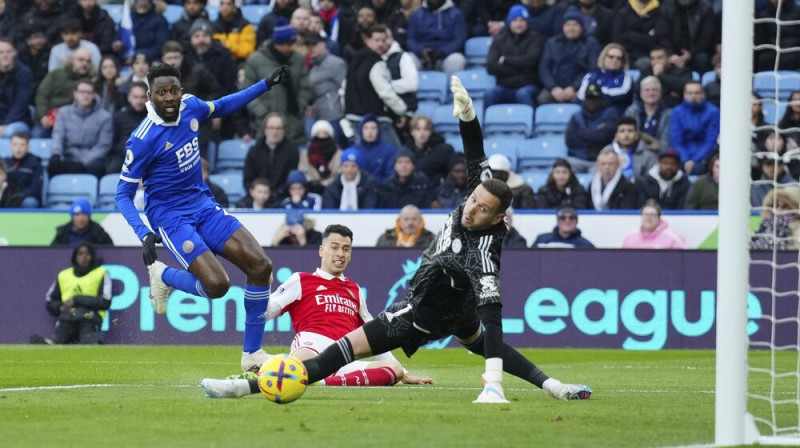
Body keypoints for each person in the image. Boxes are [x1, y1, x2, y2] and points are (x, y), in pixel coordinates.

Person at [253, 77, 592, 404]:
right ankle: (554, 386)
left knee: (338, 353)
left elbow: (494, 316)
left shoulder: (484, 254)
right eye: (473, 200)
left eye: (482, 209)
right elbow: (475, 152)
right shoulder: (485, 189)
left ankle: (256, 386)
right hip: (456, 310)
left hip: (420, 314)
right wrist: (468, 113)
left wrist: (493, 384)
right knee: (480, 341)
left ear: (498, 218)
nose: (470, 209)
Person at [114, 62, 292, 373]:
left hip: (203, 205)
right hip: (170, 217)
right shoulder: (142, 139)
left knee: (261, 266)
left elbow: (223, 105)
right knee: (217, 285)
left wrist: (264, 84)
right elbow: (122, 195)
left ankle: (252, 355)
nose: (169, 98)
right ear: (149, 96)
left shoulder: (191, 107)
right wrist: (144, 233)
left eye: (174, 91)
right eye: (162, 93)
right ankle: (163, 276)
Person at [201, 224, 433, 396]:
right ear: (321, 250)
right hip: (311, 345)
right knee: (302, 359)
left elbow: (376, 334)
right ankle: (253, 381)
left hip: (345, 354)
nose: (340, 254)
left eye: (346, 249)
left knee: (393, 370)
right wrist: (261, 284)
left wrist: (403, 371)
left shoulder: (354, 290)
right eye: (335, 247)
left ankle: (311, 380)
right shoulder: (301, 280)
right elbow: (264, 312)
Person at [244, 16, 312, 146]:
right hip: (267, 125)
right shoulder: (255, 60)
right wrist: (264, 114)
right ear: (278, 43)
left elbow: (305, 87)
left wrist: (300, 106)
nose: (292, 48)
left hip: (294, 125)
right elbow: (247, 93)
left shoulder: (298, 59)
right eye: (289, 44)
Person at [43, 243, 112, 344]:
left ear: (92, 256)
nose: (84, 256)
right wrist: (60, 307)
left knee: (88, 345)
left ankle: (94, 343)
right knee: (57, 345)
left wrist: (77, 299)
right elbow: (50, 300)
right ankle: (52, 343)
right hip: (67, 316)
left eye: (87, 253)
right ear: (75, 257)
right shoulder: (64, 275)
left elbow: (105, 301)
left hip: (89, 316)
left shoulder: (101, 273)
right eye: (80, 254)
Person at [47, 78, 113, 178]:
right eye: (82, 92)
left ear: (94, 95)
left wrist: (83, 162)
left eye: (89, 92)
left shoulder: (105, 117)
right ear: (75, 93)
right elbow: (58, 136)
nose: (85, 95)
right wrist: (56, 154)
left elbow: (103, 146)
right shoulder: (63, 113)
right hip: (68, 157)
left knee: (97, 167)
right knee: (53, 166)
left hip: (92, 160)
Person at [483, 5, 543, 111]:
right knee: (490, 94)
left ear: (527, 22)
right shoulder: (499, 40)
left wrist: (506, 60)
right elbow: (491, 67)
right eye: (515, 20)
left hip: (528, 85)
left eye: (522, 20)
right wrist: (519, 69)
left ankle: (531, 125)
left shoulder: (536, 38)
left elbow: (530, 62)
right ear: (509, 22)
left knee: (523, 94)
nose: (518, 24)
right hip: (505, 86)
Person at [536, 7, 600, 106]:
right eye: (568, 25)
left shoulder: (591, 44)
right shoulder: (552, 43)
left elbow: (591, 70)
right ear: (563, 27)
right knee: (542, 98)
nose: (571, 28)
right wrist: (553, 87)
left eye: (575, 24)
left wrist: (573, 87)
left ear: (582, 27)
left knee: (583, 100)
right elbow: (544, 68)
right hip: (555, 88)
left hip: (579, 88)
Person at [34, 49, 95, 138]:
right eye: (81, 60)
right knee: (37, 135)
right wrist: (42, 116)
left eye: (88, 61)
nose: (85, 63)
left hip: (74, 124)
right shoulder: (55, 74)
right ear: (72, 61)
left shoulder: (90, 83)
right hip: (48, 118)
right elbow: (42, 96)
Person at [669, 81, 720, 175]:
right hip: (682, 156)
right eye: (690, 93)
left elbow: (710, 141)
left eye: (697, 93)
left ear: (703, 94)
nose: (693, 96)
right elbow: (676, 140)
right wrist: (685, 159)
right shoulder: (676, 112)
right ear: (684, 94)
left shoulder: (713, 112)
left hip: (705, 156)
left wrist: (694, 160)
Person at [565, 83, 617, 173]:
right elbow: (570, 140)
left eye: (595, 98)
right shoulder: (576, 116)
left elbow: (605, 137)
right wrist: (594, 135)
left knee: (605, 171)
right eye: (590, 98)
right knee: (562, 169)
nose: (592, 101)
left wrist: (583, 132)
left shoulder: (610, 114)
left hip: (600, 160)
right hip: (577, 158)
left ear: (601, 99)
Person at [406, 0, 467, 76]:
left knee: (456, 60)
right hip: (422, 56)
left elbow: (459, 40)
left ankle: (451, 87)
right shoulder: (416, 14)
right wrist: (420, 51)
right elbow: (411, 40)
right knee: (407, 59)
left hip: (446, 56)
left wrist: (442, 52)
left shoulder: (456, 14)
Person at [243, 113, 299, 193]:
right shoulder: (254, 151)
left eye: (278, 128)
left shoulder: (292, 151)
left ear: (283, 130)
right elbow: (247, 180)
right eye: (271, 128)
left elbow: (290, 181)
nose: (274, 132)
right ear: (265, 130)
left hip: (281, 197)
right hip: (256, 197)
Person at [577, 43, 634, 116]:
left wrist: (596, 94)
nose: (614, 60)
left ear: (623, 61)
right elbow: (581, 97)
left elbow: (623, 94)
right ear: (604, 57)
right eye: (611, 57)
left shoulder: (626, 77)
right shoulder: (590, 76)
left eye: (619, 58)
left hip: (617, 117)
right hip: (592, 116)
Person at [624, 76, 672, 153]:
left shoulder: (668, 114)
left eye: (654, 90)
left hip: (659, 155)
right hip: (634, 153)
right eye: (647, 90)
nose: (651, 93)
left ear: (660, 93)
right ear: (641, 94)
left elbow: (665, 142)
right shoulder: (632, 111)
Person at [602, 116, 657, 182]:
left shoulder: (648, 156)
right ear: (616, 136)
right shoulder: (607, 151)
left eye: (630, 131)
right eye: (622, 131)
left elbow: (652, 182)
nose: (626, 135)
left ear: (636, 135)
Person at [404, 114, 454, 184]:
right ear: (412, 132)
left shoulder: (443, 149)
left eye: (426, 129)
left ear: (431, 132)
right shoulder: (405, 151)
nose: (422, 133)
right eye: (418, 129)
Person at [622, 199, 688, 249]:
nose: (649, 218)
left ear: (659, 217)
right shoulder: (630, 238)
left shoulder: (673, 238)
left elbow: (683, 260)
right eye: (646, 214)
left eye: (652, 215)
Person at [0, 38, 33, 137]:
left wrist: (4, 126)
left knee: (8, 133)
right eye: (1, 52)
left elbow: (21, 104)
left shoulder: (24, 73)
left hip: (17, 121)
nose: (5, 55)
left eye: (8, 52)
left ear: (14, 53)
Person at [750, 186, 800, 251]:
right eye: (776, 205)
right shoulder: (765, 225)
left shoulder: (798, 230)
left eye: (784, 206)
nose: (779, 209)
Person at [298, 120, 342, 191]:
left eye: (325, 134)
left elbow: (339, 174)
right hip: (310, 189)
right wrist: (312, 184)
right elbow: (302, 172)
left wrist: (324, 185)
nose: (321, 137)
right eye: (318, 134)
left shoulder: (339, 154)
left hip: (333, 190)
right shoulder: (304, 154)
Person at [5, 133, 43, 208]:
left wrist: (18, 195)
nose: (18, 148)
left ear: (27, 147)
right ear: (10, 147)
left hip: (26, 197)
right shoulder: (5, 163)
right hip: (9, 196)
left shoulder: (35, 163)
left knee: (30, 202)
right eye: (15, 144)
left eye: (22, 145)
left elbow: (35, 188)